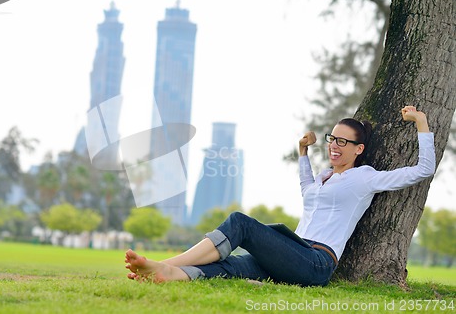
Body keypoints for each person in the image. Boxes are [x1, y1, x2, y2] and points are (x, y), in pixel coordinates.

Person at [125, 106, 436, 285]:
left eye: (343, 142)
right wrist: (303, 152)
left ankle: (163, 262)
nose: (334, 146)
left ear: (359, 149)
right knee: (233, 266)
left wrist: (421, 123)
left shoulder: (364, 179)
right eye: (332, 139)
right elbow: (307, 189)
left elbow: (423, 169)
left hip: (316, 262)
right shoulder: (324, 177)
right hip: (292, 251)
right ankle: (170, 274)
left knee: (240, 223)